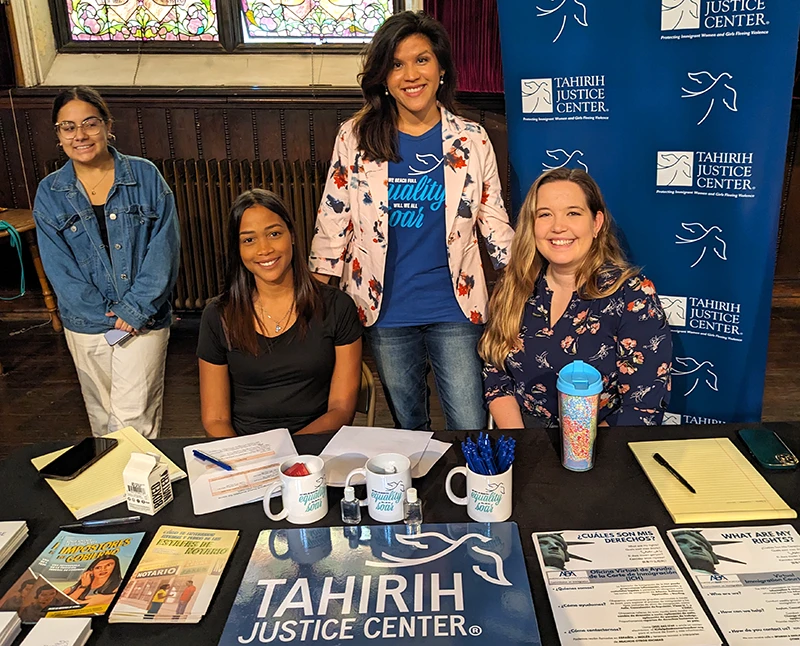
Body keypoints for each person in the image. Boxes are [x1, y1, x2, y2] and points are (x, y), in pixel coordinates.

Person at [309, 11, 514, 431]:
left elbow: (493, 220)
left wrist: (530, 282)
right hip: (385, 310)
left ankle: (471, 494)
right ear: (383, 76)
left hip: (455, 307)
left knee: (468, 423)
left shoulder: (471, 138)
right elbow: (334, 218)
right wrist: (315, 301)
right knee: (410, 428)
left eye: (421, 60)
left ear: (441, 69)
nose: (410, 74)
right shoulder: (356, 136)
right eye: (397, 64)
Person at [33, 86, 180, 439]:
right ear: (58, 134)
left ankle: (138, 492)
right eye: (68, 127)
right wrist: (103, 314)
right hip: (84, 322)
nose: (80, 135)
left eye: (89, 124)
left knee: (134, 420)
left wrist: (132, 310)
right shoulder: (50, 191)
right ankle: (111, 491)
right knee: (101, 419)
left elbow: (165, 249)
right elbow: (59, 267)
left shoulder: (144, 176)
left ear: (107, 125)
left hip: (143, 317)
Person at [480, 168, 672, 428]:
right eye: (545, 214)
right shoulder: (514, 286)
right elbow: (496, 376)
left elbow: (642, 407)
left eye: (573, 213)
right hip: (525, 440)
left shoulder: (632, 296)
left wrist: (580, 452)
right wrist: (522, 446)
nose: (558, 227)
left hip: (602, 446)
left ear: (596, 223)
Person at [198, 189, 363, 436]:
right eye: (249, 240)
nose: (264, 249)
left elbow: (341, 410)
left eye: (274, 234)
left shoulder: (337, 306)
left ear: (292, 236)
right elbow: (216, 419)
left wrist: (287, 454)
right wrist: (247, 459)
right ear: (238, 249)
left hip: (314, 450)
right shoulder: (218, 315)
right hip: (245, 452)